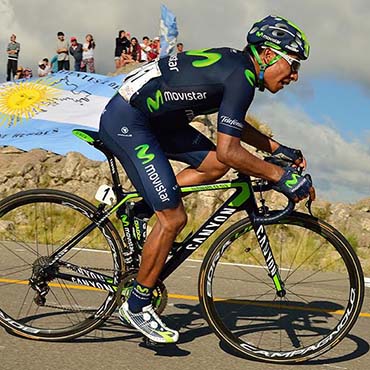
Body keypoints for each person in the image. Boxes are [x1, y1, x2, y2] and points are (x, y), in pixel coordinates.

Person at [98, 15, 315, 344]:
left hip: (158, 121)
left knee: (214, 165)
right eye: (293, 65)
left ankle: (144, 206)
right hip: (130, 120)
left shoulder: (238, 67)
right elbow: (231, 149)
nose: (295, 76)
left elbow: (232, 128)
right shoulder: (241, 75)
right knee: (174, 218)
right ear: (269, 55)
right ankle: (137, 303)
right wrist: (281, 176)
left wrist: (277, 148)